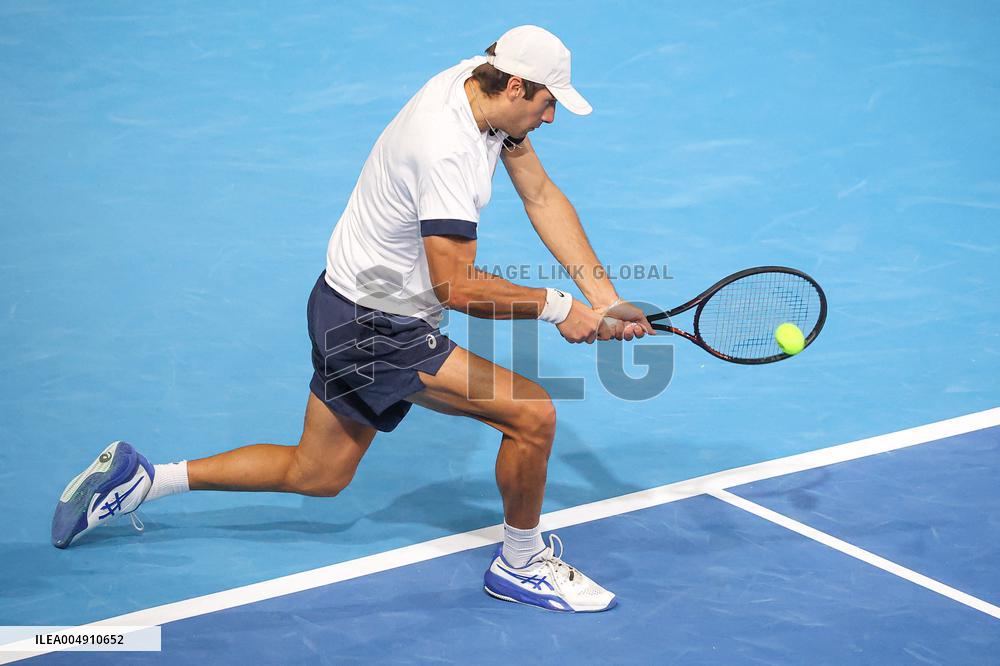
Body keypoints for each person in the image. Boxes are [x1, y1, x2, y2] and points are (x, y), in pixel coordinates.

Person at [51, 25, 654, 613]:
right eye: (548, 104)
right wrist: (558, 309)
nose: (550, 119)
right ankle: (519, 563)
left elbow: (541, 195)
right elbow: (456, 287)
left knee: (318, 473)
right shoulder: (446, 150)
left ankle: (143, 481)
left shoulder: (479, 89)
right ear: (518, 86)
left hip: (341, 301)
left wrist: (602, 299)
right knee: (533, 415)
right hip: (377, 327)